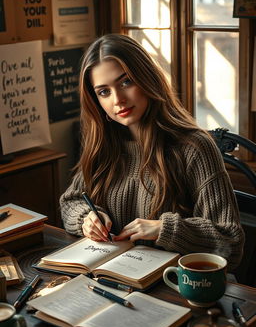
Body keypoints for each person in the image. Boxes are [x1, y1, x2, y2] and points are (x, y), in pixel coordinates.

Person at [60, 33, 244, 271]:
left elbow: (231, 243)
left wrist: (164, 230)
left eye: (126, 82)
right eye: (104, 92)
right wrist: (86, 218)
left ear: (147, 79)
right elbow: (70, 201)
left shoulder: (195, 147)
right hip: (115, 280)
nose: (118, 100)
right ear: (96, 101)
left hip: (178, 288)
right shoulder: (103, 145)